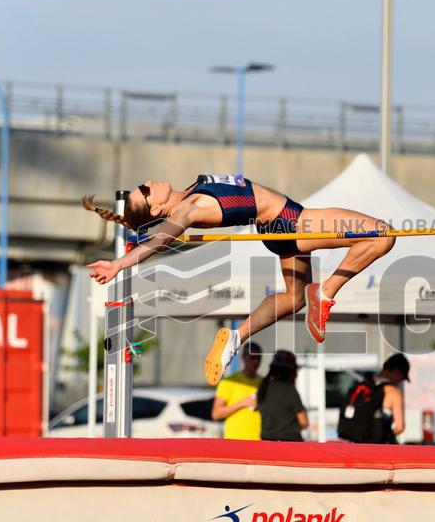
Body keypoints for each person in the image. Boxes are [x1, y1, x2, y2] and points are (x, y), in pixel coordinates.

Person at [82, 175, 396, 385]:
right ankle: (326, 291)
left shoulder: (192, 192)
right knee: (381, 235)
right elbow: (160, 241)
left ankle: (235, 338)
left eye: (143, 184)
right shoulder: (188, 208)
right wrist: (119, 264)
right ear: (159, 208)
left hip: (276, 230)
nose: (149, 182)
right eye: (146, 191)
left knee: (294, 299)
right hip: (291, 221)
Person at [337, 353, 409, 444]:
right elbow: (399, 427)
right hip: (377, 447)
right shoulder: (393, 392)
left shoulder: (362, 385)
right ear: (397, 372)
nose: (400, 381)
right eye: (402, 377)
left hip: (353, 444)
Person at [211, 342, 263, 440]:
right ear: (243, 357)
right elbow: (216, 414)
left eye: (258, 358)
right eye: (252, 358)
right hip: (234, 441)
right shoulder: (230, 381)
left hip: (259, 441)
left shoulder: (264, 383)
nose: (256, 362)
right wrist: (243, 403)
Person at [256, 350, 307, 442]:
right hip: (290, 444)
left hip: (267, 443)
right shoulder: (289, 390)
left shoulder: (263, 387)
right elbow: (304, 422)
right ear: (289, 371)